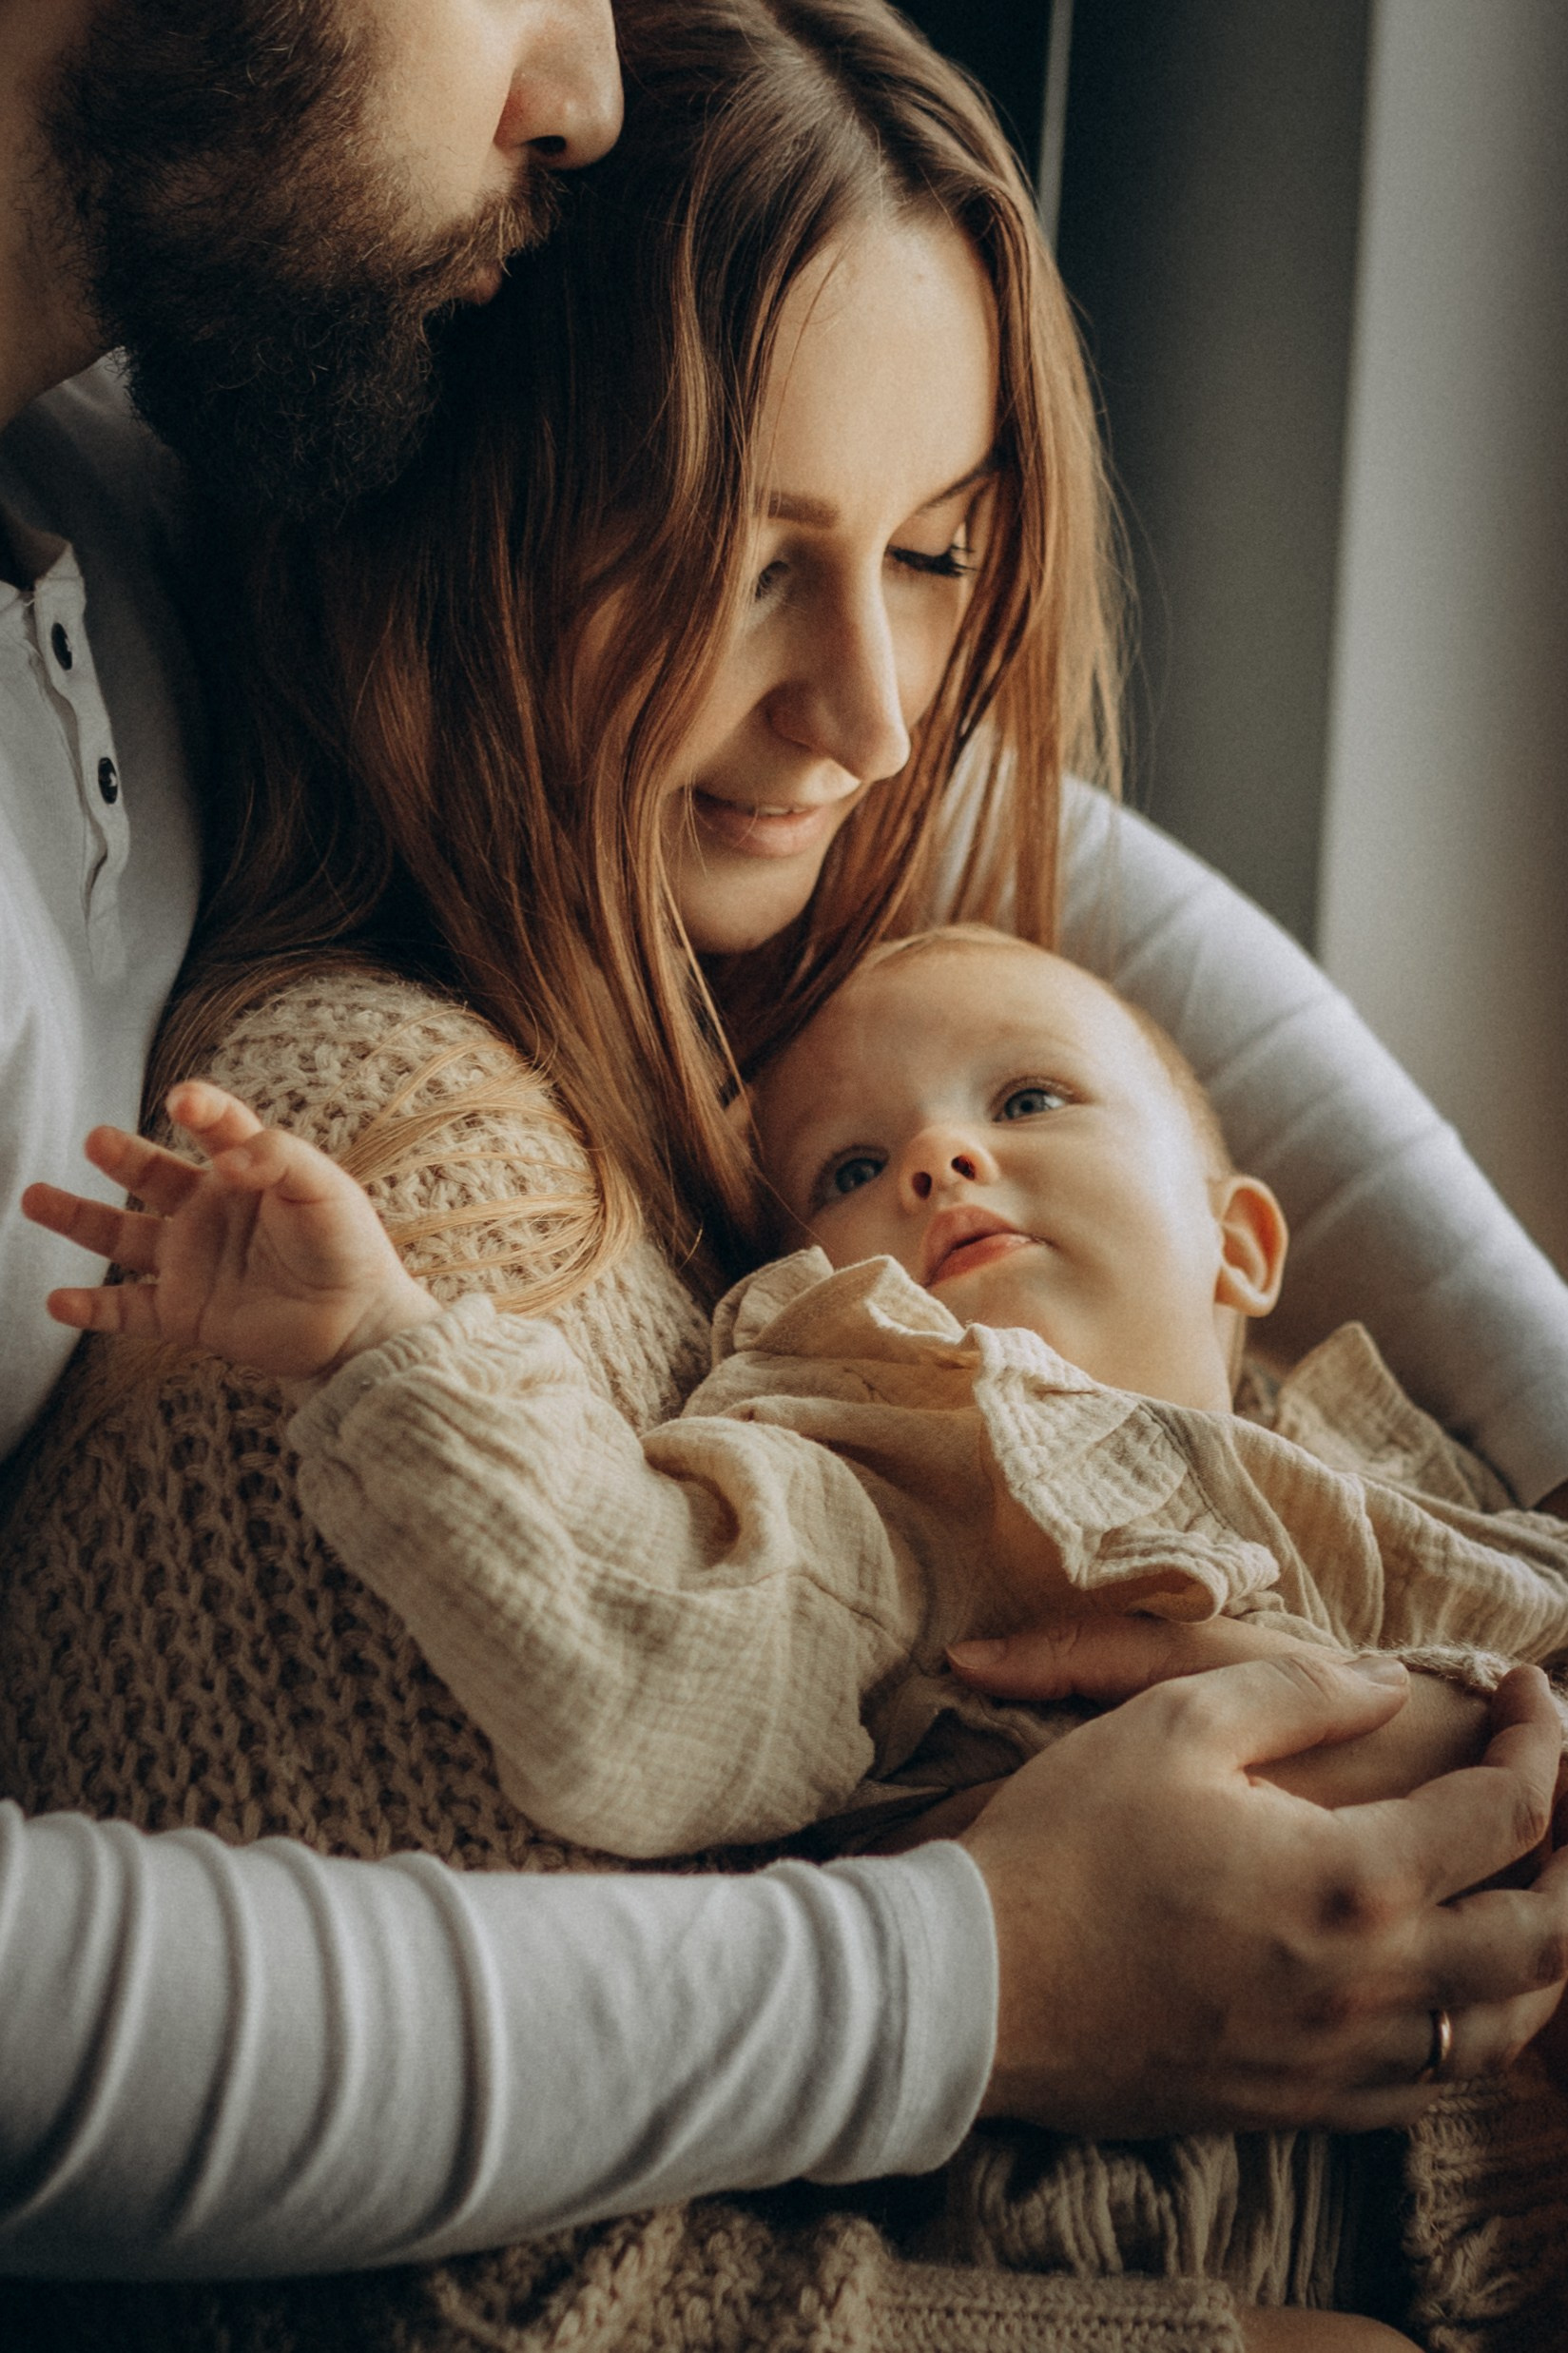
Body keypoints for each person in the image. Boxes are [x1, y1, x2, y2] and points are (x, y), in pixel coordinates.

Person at [0, 3, 1565, 2345]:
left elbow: (1046, 873)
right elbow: (497, 2301)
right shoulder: (387, 1181)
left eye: (936, 554)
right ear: (466, 512)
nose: (879, 715)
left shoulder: (750, 976)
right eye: (740, 561)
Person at [33, 930, 1568, 2341]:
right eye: (848, 1168)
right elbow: (624, 1659)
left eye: (1028, 1098)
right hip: (1181, 2263)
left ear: (1238, 1243)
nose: (939, 1157)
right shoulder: (900, 1475)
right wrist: (383, 1347)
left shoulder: (1400, 1474)